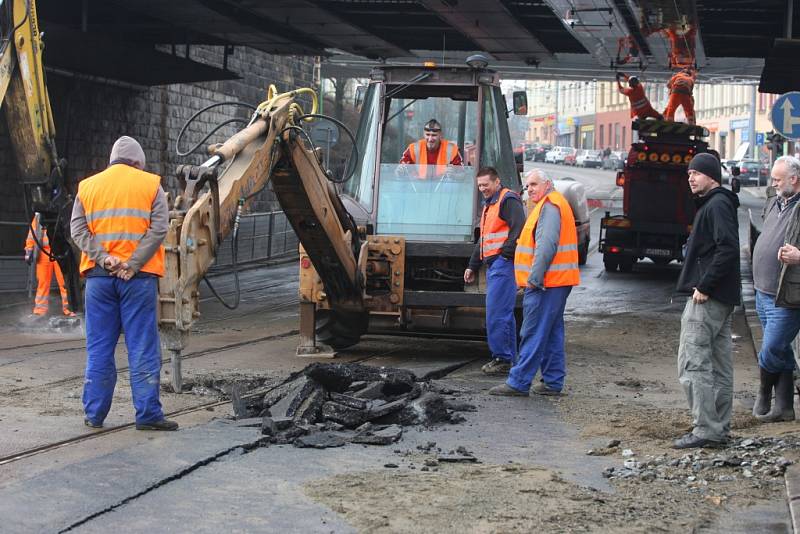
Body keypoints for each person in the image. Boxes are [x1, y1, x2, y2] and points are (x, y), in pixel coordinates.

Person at [71, 136, 178, 431]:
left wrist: (104, 259)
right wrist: (131, 265)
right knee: (142, 345)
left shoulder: (88, 187)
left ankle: (94, 415)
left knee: (99, 347)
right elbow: (159, 229)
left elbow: (77, 230)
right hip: (137, 279)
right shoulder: (150, 184)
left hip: (99, 280)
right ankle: (147, 415)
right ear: (137, 162)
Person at [488, 169, 579, 396]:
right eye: (527, 186)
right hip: (556, 281)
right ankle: (552, 381)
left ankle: (518, 382)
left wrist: (534, 279)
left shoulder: (549, 206)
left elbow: (546, 246)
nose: (529, 189)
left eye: (534, 184)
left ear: (547, 184)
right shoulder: (553, 204)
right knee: (551, 331)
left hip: (546, 283)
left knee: (533, 331)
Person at [673, 153, 740, 448]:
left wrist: (705, 285)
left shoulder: (717, 204)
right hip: (722, 297)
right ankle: (718, 428)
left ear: (712, 176)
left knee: (693, 362)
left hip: (708, 297)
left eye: (696, 173)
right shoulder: (719, 203)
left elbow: (728, 248)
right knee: (719, 364)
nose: (690, 178)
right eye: (689, 173)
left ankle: (706, 430)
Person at [751, 156, 800, 423]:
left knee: (771, 348)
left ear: (794, 179)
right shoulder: (777, 200)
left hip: (787, 296)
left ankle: (763, 393)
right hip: (763, 290)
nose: (773, 184)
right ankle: (784, 408)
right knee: (780, 349)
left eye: (777, 180)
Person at [464, 167, 526, 375]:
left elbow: (519, 229)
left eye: (486, 185)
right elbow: (485, 239)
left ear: (497, 182)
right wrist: (472, 265)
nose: (482, 189)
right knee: (501, 313)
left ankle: (504, 359)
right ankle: (508, 359)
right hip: (496, 265)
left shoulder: (507, 200)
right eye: (480, 185)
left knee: (497, 313)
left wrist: (505, 256)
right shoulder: (490, 205)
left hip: (503, 265)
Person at [24, 212, 74, 317]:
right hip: (44, 252)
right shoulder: (39, 215)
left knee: (65, 282)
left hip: (60, 250)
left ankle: (70, 309)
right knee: (43, 282)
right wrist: (29, 249)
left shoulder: (63, 211)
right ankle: (39, 310)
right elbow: (32, 233)